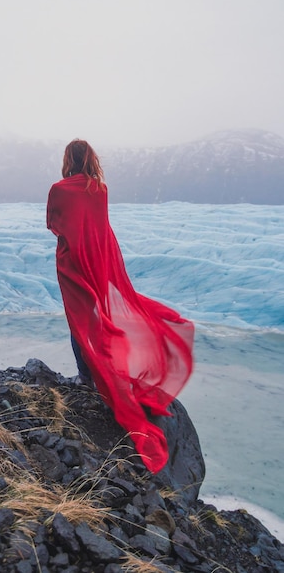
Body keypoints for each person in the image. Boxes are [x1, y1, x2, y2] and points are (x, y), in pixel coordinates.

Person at [47, 139, 194, 473]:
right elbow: (99, 226)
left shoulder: (59, 189)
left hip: (73, 263)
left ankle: (87, 376)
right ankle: (115, 369)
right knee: (102, 317)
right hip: (101, 259)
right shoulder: (100, 188)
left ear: (68, 159)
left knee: (79, 319)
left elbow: (54, 225)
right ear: (92, 160)